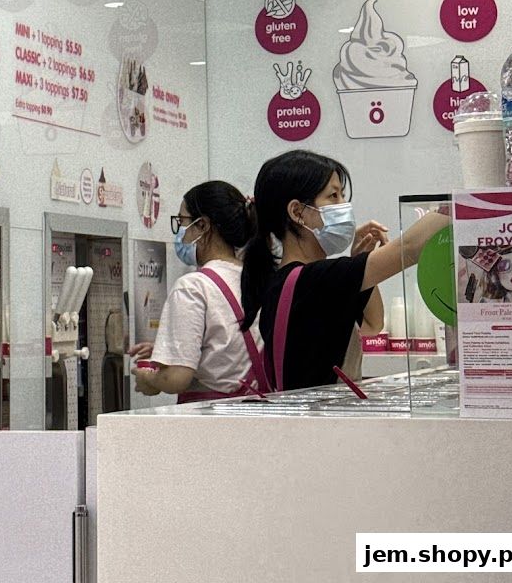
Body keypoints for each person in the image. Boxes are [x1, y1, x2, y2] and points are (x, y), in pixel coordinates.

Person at [240, 149, 449, 392]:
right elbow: (410, 247)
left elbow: (372, 323)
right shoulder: (313, 279)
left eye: (342, 195)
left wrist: (359, 261)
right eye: (333, 196)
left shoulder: (295, 279)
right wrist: (461, 206)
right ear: (297, 212)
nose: (344, 205)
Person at [131, 180, 268, 402]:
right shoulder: (256, 279)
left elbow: (177, 378)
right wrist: (172, 349)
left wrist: (148, 379)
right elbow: (229, 351)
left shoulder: (192, 287)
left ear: (203, 225)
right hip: (254, 410)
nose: (181, 233)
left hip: (208, 415)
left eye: (182, 222)